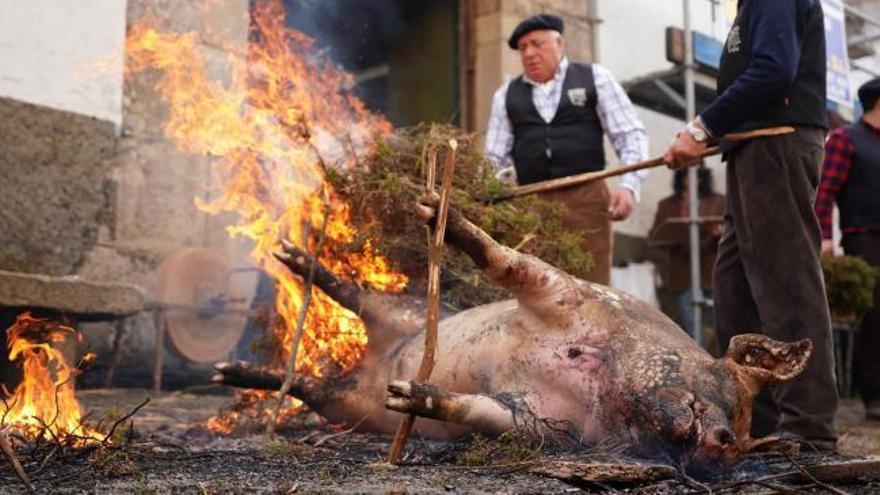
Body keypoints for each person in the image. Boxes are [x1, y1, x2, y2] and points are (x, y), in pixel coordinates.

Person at [664, 0, 838, 450]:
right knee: (734, 285)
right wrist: (715, 133)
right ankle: (757, 421)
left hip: (775, 144)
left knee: (787, 283)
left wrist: (702, 128)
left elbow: (773, 71)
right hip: (749, 148)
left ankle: (808, 427)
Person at [485, 14, 648, 285]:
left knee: (590, 289)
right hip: (530, 202)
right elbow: (494, 157)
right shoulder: (506, 95)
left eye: (537, 44)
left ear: (559, 43)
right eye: (523, 48)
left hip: (586, 198)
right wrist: (488, 197)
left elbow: (630, 134)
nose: (529, 53)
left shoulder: (595, 78)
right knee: (534, 289)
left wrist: (629, 185)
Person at [815, 77, 880, 420]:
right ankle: (873, 394)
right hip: (864, 236)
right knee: (875, 315)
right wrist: (824, 236)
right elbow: (823, 193)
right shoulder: (845, 140)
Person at [648, 168, 725, 338]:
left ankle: (725, 360)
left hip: (711, 270)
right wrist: (674, 234)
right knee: (691, 328)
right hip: (680, 271)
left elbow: (732, 234)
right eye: (686, 175)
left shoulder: (719, 201)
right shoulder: (666, 204)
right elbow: (654, 237)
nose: (691, 179)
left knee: (721, 323)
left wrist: (720, 232)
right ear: (680, 177)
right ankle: (700, 362)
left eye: (698, 174)